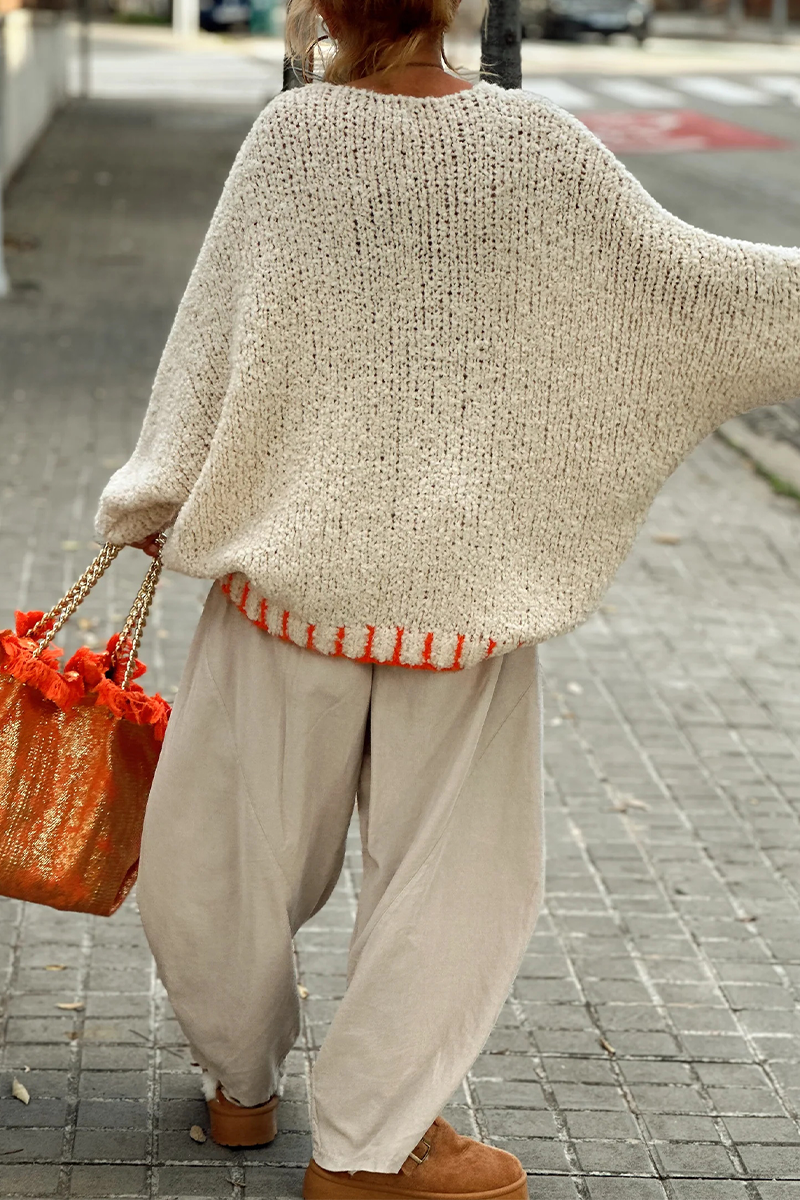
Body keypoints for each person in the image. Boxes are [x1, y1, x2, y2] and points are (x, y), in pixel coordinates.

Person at [93, 0, 800, 1196]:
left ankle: (240, 1089)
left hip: (286, 589)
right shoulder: (538, 148)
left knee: (230, 851)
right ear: (460, 5)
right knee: (451, 877)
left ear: (318, 10)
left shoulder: (287, 141)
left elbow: (211, 340)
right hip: (457, 603)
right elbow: (691, 296)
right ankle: (373, 1145)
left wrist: (152, 494)